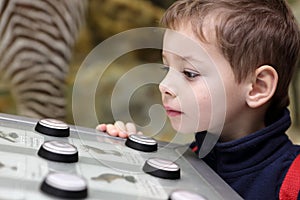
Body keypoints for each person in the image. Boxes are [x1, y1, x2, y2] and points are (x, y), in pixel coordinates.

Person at [96, 0, 300, 199]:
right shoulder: (184, 162)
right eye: (166, 69)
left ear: (257, 87)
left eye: (189, 73)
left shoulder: (293, 183)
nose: (164, 86)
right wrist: (137, 160)